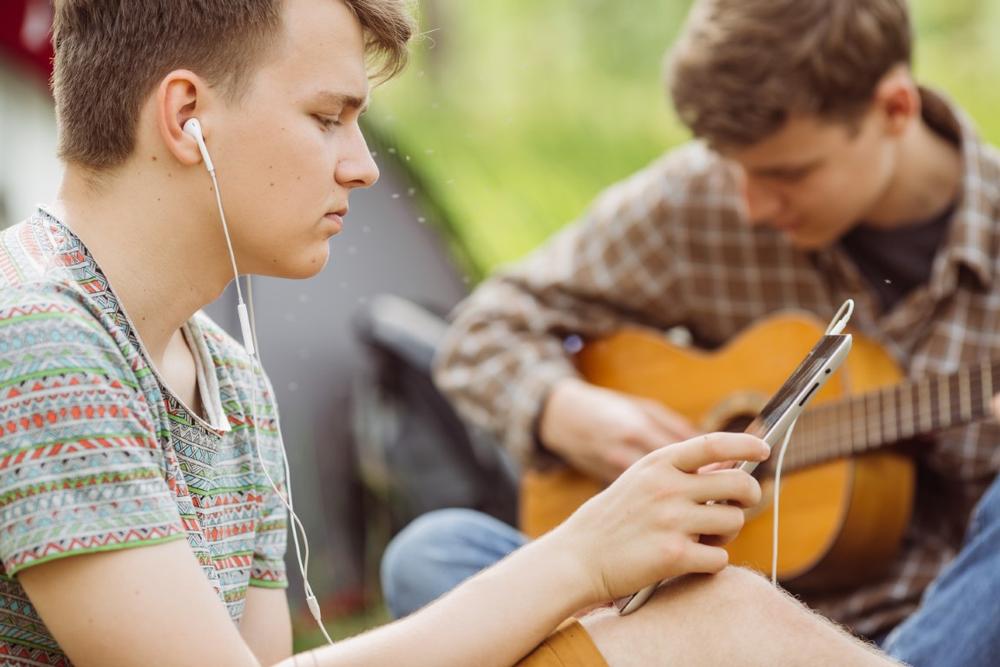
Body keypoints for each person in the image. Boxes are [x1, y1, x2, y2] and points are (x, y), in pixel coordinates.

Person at [0, 0, 904, 665]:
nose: (359, 167)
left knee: (719, 617)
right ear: (187, 116)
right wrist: (581, 556)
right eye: (327, 119)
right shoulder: (40, 334)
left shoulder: (226, 377)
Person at [383, 0, 1000, 665]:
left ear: (895, 109)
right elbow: (484, 327)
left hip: (926, 631)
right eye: (732, 165)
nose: (752, 206)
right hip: (685, 629)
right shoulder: (698, 203)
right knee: (433, 552)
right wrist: (571, 412)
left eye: (788, 173)